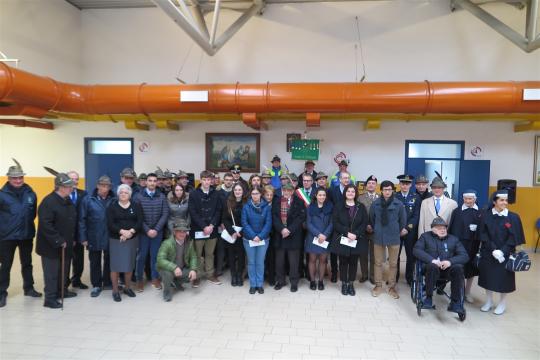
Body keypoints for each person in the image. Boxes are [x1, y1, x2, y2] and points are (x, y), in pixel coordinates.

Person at [0, 159, 41, 308]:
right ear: (8, 179)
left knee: (27, 263)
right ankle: (1, 293)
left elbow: (33, 214)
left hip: (26, 235)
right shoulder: (2, 194)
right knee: (6, 265)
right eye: (15, 178)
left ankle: (29, 288)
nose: (18, 180)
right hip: (6, 237)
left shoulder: (31, 193)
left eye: (20, 177)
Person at [477, 190, 525, 315]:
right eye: (502, 200)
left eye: (506, 200)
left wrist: (502, 251)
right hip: (488, 252)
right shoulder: (486, 215)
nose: (505, 203)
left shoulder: (513, 217)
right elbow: (483, 234)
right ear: (494, 202)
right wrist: (493, 249)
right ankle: (488, 301)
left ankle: (502, 303)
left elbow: (514, 237)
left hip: (506, 254)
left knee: (504, 280)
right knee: (488, 277)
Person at [36, 171, 77, 309]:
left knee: (63, 271)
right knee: (52, 274)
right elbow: (45, 225)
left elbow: (71, 220)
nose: (72, 188)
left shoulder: (67, 200)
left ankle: (62, 291)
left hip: (66, 244)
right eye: (69, 186)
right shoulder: (48, 202)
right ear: (60, 187)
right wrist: (58, 240)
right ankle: (50, 298)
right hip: (51, 246)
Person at [413, 217, 468, 312]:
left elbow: (464, 256)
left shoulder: (453, 239)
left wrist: (450, 262)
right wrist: (432, 260)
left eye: (444, 228)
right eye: (439, 228)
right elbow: (416, 250)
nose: (442, 230)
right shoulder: (425, 237)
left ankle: (455, 302)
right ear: (433, 229)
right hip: (430, 269)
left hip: (447, 270)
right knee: (432, 266)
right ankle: (428, 298)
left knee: (458, 268)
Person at [369, 181, 408, 299]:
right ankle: (378, 285)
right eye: (385, 189)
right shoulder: (375, 204)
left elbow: (403, 220)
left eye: (389, 189)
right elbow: (372, 219)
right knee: (378, 262)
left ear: (392, 190)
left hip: (393, 236)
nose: (387, 192)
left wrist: (397, 230)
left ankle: (391, 287)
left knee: (393, 263)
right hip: (379, 236)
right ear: (381, 190)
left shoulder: (399, 204)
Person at [78, 175, 115, 297]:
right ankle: (96, 285)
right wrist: (83, 238)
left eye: (108, 186)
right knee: (95, 261)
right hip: (93, 235)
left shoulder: (114, 199)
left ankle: (108, 281)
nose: (105, 188)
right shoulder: (88, 200)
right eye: (103, 185)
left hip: (110, 235)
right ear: (98, 185)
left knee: (109, 260)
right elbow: (82, 220)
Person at [329, 184, 368, 296]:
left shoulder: (361, 206)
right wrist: (347, 232)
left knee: (353, 262)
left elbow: (364, 223)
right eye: (348, 191)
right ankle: (344, 283)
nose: (350, 193)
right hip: (342, 238)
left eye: (352, 191)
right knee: (343, 262)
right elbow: (335, 222)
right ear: (345, 193)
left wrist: (355, 234)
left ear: (355, 193)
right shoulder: (338, 206)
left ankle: (351, 284)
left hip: (356, 239)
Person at [107, 184, 143, 302]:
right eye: (121, 192)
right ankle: (115, 291)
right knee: (115, 267)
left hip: (132, 239)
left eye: (126, 192)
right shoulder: (112, 207)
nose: (123, 194)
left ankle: (127, 288)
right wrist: (122, 232)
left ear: (130, 195)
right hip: (116, 240)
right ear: (118, 194)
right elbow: (110, 223)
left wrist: (130, 232)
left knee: (129, 265)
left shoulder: (136, 206)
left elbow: (139, 221)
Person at [134, 173, 169, 291]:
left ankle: (155, 278)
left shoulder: (162, 196)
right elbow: (138, 216)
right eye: (150, 181)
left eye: (154, 181)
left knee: (155, 256)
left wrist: (156, 229)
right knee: (141, 256)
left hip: (157, 233)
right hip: (143, 232)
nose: (152, 183)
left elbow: (165, 214)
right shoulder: (138, 197)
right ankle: (139, 280)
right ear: (146, 182)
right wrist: (147, 230)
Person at [188, 170, 223, 286]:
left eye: (209, 180)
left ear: (211, 180)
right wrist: (204, 226)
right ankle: (196, 276)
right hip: (198, 229)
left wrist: (212, 225)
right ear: (201, 180)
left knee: (210, 253)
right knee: (197, 254)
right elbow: (192, 212)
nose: (207, 182)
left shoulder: (216, 193)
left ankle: (209, 274)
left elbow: (218, 211)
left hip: (212, 229)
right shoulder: (193, 193)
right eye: (204, 179)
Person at [449, 189, 482, 303]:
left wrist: (476, 230)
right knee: (459, 268)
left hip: (473, 245)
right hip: (459, 246)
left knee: (470, 270)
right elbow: (451, 229)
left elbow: (484, 230)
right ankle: (458, 291)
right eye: (466, 199)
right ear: (463, 199)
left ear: (475, 199)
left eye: (470, 199)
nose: (468, 201)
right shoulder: (457, 211)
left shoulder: (480, 212)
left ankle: (467, 292)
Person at [272, 183, 306, 292]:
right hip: (280, 235)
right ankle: (280, 281)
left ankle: (294, 282)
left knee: (294, 262)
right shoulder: (276, 201)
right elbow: (274, 217)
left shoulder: (299, 202)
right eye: (284, 190)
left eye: (289, 190)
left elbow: (301, 218)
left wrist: (289, 229)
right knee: (279, 262)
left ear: (292, 191)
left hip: (294, 236)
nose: (286, 192)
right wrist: (282, 229)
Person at [156, 220, 199, 302]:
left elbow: (193, 257)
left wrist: (193, 269)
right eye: (180, 231)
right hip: (167, 269)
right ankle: (167, 292)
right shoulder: (167, 243)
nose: (182, 234)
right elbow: (160, 259)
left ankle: (176, 282)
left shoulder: (189, 242)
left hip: (181, 268)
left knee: (197, 270)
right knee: (168, 274)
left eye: (184, 231)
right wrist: (174, 267)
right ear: (174, 232)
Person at [241, 186, 272, 294]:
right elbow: (244, 223)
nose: (255, 195)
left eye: (257, 193)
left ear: (261, 195)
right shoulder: (246, 207)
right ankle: (253, 284)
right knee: (251, 262)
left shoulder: (267, 207)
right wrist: (253, 236)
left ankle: (260, 284)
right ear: (251, 195)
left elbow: (268, 223)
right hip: (249, 239)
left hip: (263, 240)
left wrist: (260, 236)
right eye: (253, 194)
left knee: (260, 262)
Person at [395, 174, 421, 286]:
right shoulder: (394, 196)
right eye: (403, 183)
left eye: (407, 184)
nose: (405, 186)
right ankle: (394, 277)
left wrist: (407, 228)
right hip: (396, 231)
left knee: (411, 256)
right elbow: (392, 215)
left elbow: (416, 215)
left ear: (411, 185)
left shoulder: (416, 197)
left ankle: (409, 278)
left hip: (410, 232)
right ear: (400, 184)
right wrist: (399, 228)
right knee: (395, 255)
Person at [305, 188, 333, 290]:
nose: (322, 197)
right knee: (312, 260)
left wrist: (325, 235)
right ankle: (312, 281)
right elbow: (308, 223)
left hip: (325, 238)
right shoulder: (310, 207)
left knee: (323, 260)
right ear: (316, 196)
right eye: (320, 195)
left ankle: (320, 281)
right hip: (313, 237)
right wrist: (318, 234)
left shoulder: (330, 207)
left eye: (324, 195)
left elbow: (331, 223)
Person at [327, 171, 352, 282]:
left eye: (348, 178)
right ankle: (334, 272)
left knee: (346, 249)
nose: (346, 180)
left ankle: (344, 272)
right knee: (334, 250)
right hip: (335, 223)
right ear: (339, 179)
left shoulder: (352, 190)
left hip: (348, 224)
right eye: (344, 178)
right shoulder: (332, 190)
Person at [66, 170, 88, 290]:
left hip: (79, 232)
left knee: (79, 259)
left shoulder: (83, 194)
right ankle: (64, 282)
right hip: (66, 233)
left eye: (76, 179)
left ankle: (77, 280)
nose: (74, 181)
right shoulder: (62, 194)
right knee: (66, 259)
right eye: (72, 179)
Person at [221, 184, 247, 286]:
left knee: (241, 256)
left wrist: (240, 232)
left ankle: (240, 275)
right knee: (231, 256)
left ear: (243, 191)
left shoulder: (247, 202)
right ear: (233, 191)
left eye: (239, 189)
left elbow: (248, 219)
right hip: (231, 234)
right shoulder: (228, 202)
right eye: (235, 190)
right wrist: (232, 232)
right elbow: (224, 219)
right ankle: (233, 275)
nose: (237, 191)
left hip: (242, 233)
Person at [357, 175, 378, 284]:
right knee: (363, 253)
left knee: (375, 255)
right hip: (362, 230)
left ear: (376, 185)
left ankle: (373, 276)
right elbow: (358, 214)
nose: (371, 185)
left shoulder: (380, 198)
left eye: (373, 183)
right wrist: (365, 225)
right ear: (365, 186)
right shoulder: (360, 198)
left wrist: (373, 226)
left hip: (376, 231)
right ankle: (364, 275)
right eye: (369, 183)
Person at [262, 185, 277, 286]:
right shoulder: (260, 204)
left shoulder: (276, 204)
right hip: (263, 234)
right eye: (267, 195)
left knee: (272, 256)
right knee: (263, 256)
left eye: (271, 195)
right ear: (263, 195)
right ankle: (262, 276)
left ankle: (271, 277)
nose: (269, 197)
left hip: (274, 234)